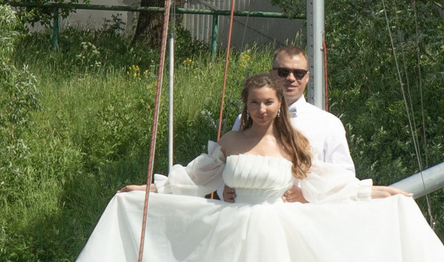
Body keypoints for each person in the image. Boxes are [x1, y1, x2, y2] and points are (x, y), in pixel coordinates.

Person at [126, 71, 408, 204]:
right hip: (231, 227)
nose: (261, 110)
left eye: (268, 102)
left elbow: (332, 183)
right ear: (246, 105)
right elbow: (192, 179)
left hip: (278, 229)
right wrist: (146, 189)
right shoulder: (230, 141)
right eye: (255, 103)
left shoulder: (294, 144)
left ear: (279, 104)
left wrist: (381, 192)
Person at [237, 45, 352, 176]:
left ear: (307, 77)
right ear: (272, 74)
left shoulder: (328, 124)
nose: (291, 78)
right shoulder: (247, 119)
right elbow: (230, 165)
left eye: (299, 73)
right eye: (283, 72)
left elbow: (344, 176)